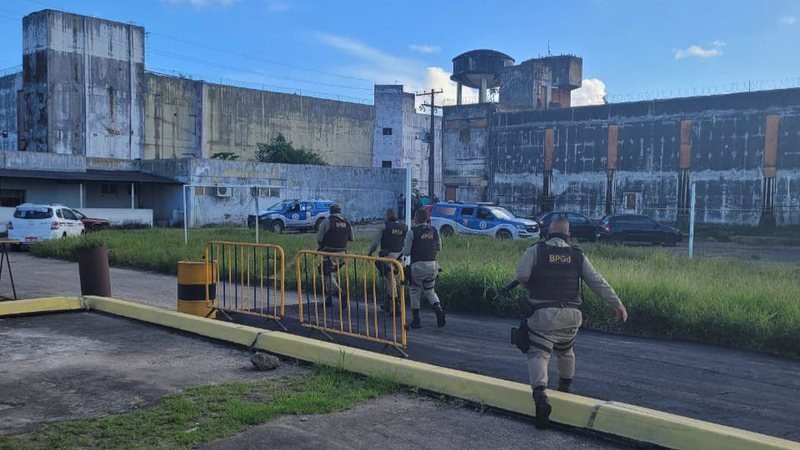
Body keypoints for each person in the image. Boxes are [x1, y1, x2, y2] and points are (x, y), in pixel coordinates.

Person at [514, 217, 627, 429]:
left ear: (547, 233)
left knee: (539, 353)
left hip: (543, 316)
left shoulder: (535, 251)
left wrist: (526, 283)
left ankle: (540, 398)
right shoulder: (577, 256)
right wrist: (617, 304)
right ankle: (565, 389)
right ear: (568, 235)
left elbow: (521, 275)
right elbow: (597, 282)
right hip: (572, 318)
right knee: (566, 351)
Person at [403, 209, 446, 329]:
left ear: (416, 219)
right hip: (433, 266)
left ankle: (416, 320)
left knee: (415, 291)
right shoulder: (434, 230)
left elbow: (406, 252)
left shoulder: (413, 232)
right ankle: (439, 309)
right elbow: (439, 248)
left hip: (418, 267)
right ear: (426, 219)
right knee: (430, 291)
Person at [367, 208, 408, 309]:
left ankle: (395, 305)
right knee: (394, 281)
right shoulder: (404, 227)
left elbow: (375, 244)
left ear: (387, 216)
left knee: (390, 282)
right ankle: (389, 304)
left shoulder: (384, 226)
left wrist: (370, 253)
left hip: (388, 258)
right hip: (400, 258)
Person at [316, 203, 354, 306]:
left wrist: (321, 246)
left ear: (331, 211)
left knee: (326, 273)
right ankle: (329, 298)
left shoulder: (327, 221)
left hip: (329, 253)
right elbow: (351, 238)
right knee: (331, 274)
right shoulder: (346, 222)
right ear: (340, 211)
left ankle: (340, 294)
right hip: (342, 254)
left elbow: (319, 238)